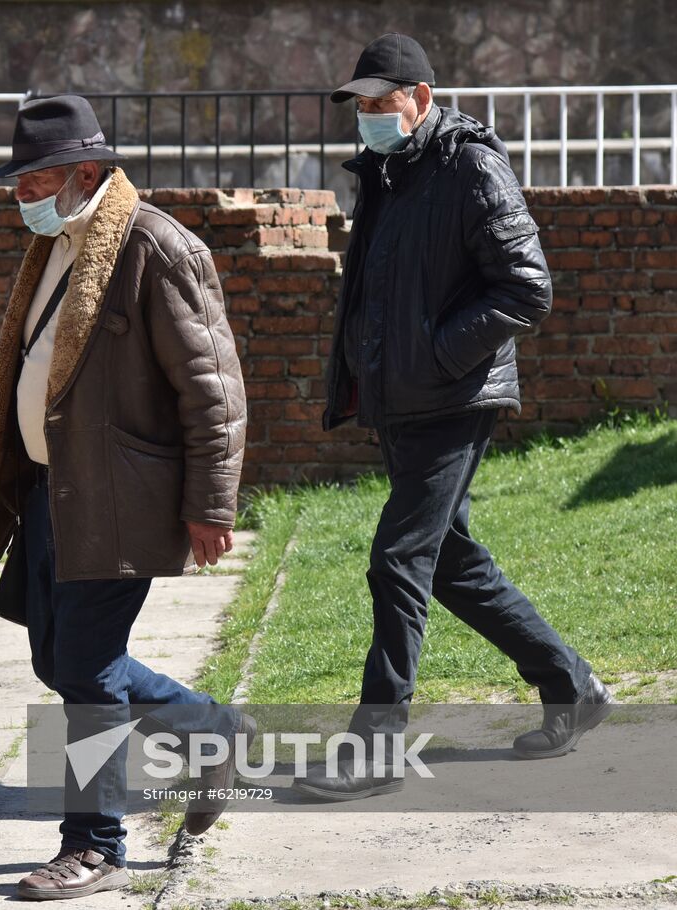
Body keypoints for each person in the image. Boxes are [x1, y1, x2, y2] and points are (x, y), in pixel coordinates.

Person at [294, 34, 613, 802]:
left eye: (382, 102)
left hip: (452, 395)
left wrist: (438, 356)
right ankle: (570, 686)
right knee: (451, 563)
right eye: (361, 105)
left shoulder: (471, 165)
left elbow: (526, 287)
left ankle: (373, 751)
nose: (369, 116)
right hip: (401, 399)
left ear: (422, 98)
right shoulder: (387, 170)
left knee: (397, 558)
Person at [0, 95, 252, 899]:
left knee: (85, 669)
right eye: (16, 181)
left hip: (121, 496)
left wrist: (212, 503)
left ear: (88, 172)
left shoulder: (155, 246)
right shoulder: (57, 244)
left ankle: (95, 844)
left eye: (35, 179)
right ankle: (214, 729)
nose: (21, 195)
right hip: (56, 489)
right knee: (61, 657)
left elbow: (213, 388)